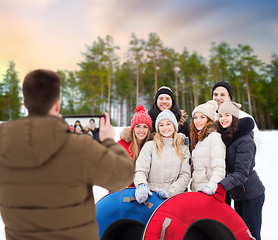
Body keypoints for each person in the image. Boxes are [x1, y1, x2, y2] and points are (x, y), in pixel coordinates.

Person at [0, 69, 134, 240]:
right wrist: (108, 140)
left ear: (26, 103)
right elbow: (123, 175)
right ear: (57, 104)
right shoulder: (80, 147)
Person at [216, 101, 265, 240]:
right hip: (238, 194)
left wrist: (222, 185)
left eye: (227, 115)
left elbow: (242, 172)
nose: (223, 118)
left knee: (252, 236)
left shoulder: (245, 140)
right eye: (220, 115)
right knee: (241, 235)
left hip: (251, 194)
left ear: (234, 117)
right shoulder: (227, 136)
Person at [134, 109, 191, 204]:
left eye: (168, 124)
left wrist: (171, 191)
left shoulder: (184, 149)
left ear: (174, 126)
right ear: (158, 128)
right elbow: (141, 169)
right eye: (161, 125)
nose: (165, 128)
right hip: (151, 197)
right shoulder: (150, 146)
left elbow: (185, 175)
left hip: (174, 198)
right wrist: (141, 185)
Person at [212, 81, 262, 151]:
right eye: (215, 94)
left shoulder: (243, 117)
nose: (218, 98)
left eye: (222, 95)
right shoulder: (209, 117)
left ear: (229, 97)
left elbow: (258, 143)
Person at [189, 100, 226, 194]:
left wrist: (211, 188)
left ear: (209, 119)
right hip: (197, 191)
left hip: (209, 191)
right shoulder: (198, 140)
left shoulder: (214, 137)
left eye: (202, 117)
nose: (198, 121)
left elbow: (219, 168)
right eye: (195, 117)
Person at [118, 105, 152, 187]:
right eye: (138, 126)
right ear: (133, 128)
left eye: (145, 127)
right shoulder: (121, 145)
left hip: (145, 191)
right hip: (124, 191)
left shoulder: (151, 147)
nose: (141, 130)